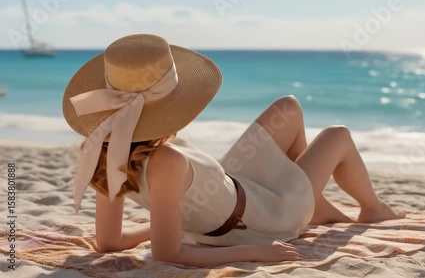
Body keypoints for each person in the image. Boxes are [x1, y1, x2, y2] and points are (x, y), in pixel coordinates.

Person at [62, 34, 403, 267]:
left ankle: (313, 202)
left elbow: (108, 243)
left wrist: (172, 224)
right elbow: (167, 255)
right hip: (266, 217)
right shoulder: (166, 160)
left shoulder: (107, 152)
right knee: (337, 134)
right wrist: (254, 251)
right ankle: (369, 208)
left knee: (287, 107)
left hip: (236, 183)